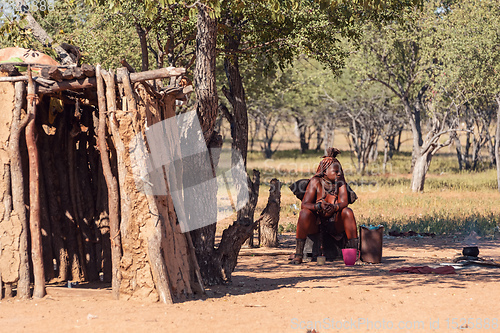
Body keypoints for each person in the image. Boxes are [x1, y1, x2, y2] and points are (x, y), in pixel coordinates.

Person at [290, 148, 358, 264]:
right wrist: (318, 206)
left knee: (348, 212)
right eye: (336, 171)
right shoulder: (315, 182)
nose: (339, 173)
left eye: (340, 171)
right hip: (316, 223)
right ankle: (298, 254)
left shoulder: (340, 182)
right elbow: (304, 204)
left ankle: (354, 254)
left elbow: (344, 202)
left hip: (335, 222)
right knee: (304, 213)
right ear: (325, 171)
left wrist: (335, 207)